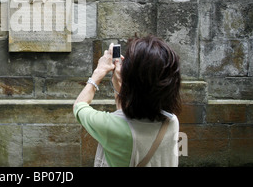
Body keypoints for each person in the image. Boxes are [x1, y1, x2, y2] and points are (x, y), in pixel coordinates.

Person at [73, 36, 182, 167]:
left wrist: (99, 72)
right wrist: (120, 82)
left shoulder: (112, 127)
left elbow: (79, 107)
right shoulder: (171, 121)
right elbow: (127, 114)